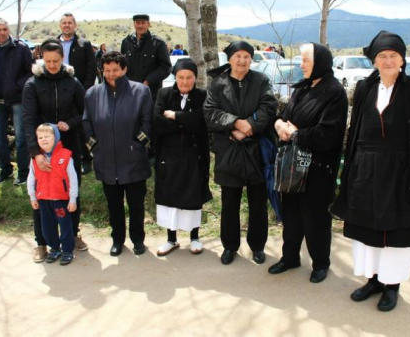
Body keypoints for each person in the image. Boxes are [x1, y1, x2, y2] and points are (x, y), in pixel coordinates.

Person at [332, 31, 410, 311]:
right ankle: (373, 280)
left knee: (398, 233)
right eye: (382, 56)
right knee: (367, 230)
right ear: (374, 60)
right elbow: (355, 130)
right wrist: (350, 171)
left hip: (403, 174)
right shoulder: (363, 88)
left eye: (393, 56)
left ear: (402, 60)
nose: (387, 61)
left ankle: (392, 286)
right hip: (365, 172)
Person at [268, 43, 348, 283]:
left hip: (318, 167)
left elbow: (329, 134)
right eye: (301, 60)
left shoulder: (334, 91)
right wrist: (279, 125)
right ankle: (290, 257)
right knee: (291, 214)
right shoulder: (303, 88)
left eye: (305, 60)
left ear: (320, 62)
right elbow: (286, 117)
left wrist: (295, 134)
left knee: (315, 218)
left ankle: (321, 263)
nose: (301, 65)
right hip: (293, 166)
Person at [203, 40, 277, 265]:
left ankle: (257, 246)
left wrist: (249, 128)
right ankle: (230, 246)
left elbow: (269, 107)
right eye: (238, 56)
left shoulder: (260, 80)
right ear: (230, 58)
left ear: (251, 59)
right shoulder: (218, 83)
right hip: (228, 150)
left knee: (257, 203)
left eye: (246, 56)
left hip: (256, 151)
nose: (242, 61)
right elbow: (210, 113)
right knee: (230, 203)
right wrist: (235, 123)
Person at [22, 38, 87, 262]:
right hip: (42, 149)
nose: (51, 65)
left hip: (68, 146)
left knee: (70, 191)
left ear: (63, 59)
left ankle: (73, 234)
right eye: (48, 61)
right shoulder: (32, 84)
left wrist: (70, 123)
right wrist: (36, 153)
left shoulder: (73, 82)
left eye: (56, 61)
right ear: (41, 58)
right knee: (43, 196)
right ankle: (42, 242)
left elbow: (84, 111)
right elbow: (28, 120)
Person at [83, 51, 152, 257]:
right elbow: (86, 123)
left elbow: (147, 123)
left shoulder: (140, 92)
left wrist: (137, 145)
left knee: (136, 204)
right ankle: (117, 240)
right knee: (114, 205)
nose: (111, 74)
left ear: (124, 69)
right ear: (102, 71)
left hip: (133, 159)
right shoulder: (92, 94)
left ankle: (138, 239)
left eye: (115, 70)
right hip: (106, 159)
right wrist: (95, 147)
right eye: (107, 70)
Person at [153, 58, 212, 255]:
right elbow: (157, 122)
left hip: (194, 155)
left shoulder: (203, 96)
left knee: (193, 197)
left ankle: (194, 237)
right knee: (170, 197)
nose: (185, 82)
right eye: (181, 78)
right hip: (168, 155)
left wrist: (175, 116)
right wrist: (185, 120)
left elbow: (201, 122)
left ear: (195, 78)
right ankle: (171, 239)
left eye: (189, 77)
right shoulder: (163, 93)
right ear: (175, 78)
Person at [0, 18, 33, 185]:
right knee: (0, 137)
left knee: (21, 138)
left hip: (16, 98)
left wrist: (16, 86)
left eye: (5, 29)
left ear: (9, 30)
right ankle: (5, 169)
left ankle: (23, 173)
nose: (2, 32)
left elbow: (30, 71)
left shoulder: (20, 48)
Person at [27, 124, 78, 265]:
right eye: (40, 137)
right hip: (43, 200)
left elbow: (73, 179)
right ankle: (54, 248)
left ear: (55, 137)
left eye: (47, 137)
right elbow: (31, 179)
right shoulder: (35, 159)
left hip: (60, 200)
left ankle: (67, 250)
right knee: (47, 228)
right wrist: (32, 196)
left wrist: (73, 199)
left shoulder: (66, 155)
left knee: (65, 226)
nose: (43, 140)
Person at [58, 13, 96, 176]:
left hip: (78, 90)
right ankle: (64, 159)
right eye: (64, 23)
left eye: (70, 23)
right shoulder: (53, 44)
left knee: (80, 126)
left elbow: (91, 67)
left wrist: (86, 88)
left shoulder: (84, 44)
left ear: (75, 25)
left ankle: (86, 159)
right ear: (60, 25)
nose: (67, 25)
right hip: (58, 91)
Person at [120, 14, 172, 102]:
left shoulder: (157, 43)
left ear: (148, 24)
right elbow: (122, 66)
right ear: (134, 24)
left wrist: (148, 81)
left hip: (151, 93)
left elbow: (166, 67)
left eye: (143, 23)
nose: (140, 26)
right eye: (138, 23)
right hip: (130, 91)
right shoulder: (126, 42)